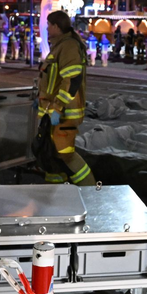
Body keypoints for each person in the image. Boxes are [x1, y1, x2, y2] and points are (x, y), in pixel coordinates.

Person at [37, 10, 96, 186]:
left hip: (64, 114)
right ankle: (54, 193)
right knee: (52, 154)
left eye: (49, 25)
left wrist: (57, 107)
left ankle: (91, 190)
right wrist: (41, 99)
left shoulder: (68, 46)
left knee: (66, 155)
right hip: (55, 112)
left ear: (56, 26)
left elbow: (72, 80)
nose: (47, 28)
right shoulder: (61, 45)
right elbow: (54, 81)